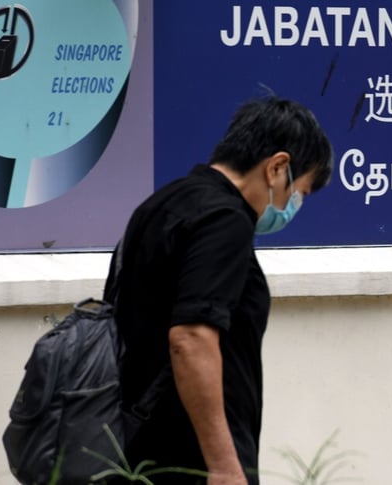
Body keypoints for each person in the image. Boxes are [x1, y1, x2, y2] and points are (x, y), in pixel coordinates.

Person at [105, 96, 333, 484]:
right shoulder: (226, 221)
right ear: (278, 167)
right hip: (190, 459)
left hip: (133, 448)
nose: (293, 205)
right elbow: (191, 337)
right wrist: (224, 467)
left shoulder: (162, 203)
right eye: (301, 192)